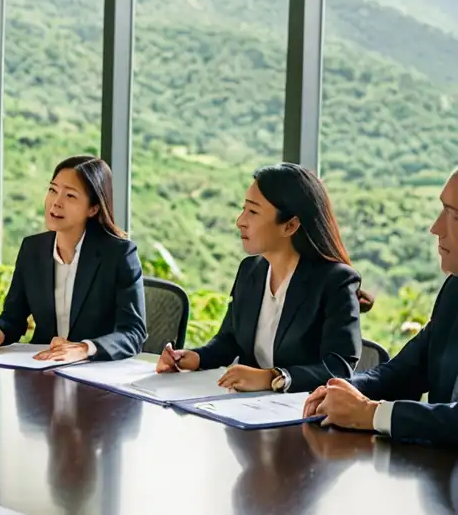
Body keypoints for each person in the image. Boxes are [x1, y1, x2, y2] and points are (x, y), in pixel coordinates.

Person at [157, 162, 366, 393]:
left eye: (253, 212)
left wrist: (274, 378)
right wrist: (193, 358)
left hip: (302, 414)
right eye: (243, 209)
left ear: (290, 225)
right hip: (247, 410)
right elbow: (229, 340)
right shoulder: (250, 270)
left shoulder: (335, 281)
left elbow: (340, 368)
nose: (240, 221)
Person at [303, 168, 458, 444]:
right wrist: (341, 390)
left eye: (453, 215)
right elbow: (404, 372)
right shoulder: (454, 291)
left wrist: (371, 414)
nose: (436, 228)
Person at [0, 155, 147, 362]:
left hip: (96, 375)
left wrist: (85, 349)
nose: (56, 202)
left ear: (93, 208)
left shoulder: (119, 254)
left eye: (70, 196)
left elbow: (133, 333)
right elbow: (13, 317)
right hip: (41, 370)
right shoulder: (32, 249)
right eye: (53, 190)